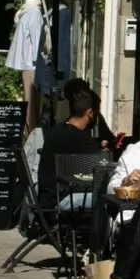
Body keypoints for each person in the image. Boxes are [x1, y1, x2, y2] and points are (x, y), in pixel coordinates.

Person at [23, 80, 111, 212]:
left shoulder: (53, 132)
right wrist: (103, 149)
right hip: (63, 199)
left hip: (47, 197)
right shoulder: (82, 139)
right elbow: (100, 166)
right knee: (108, 198)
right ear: (90, 112)